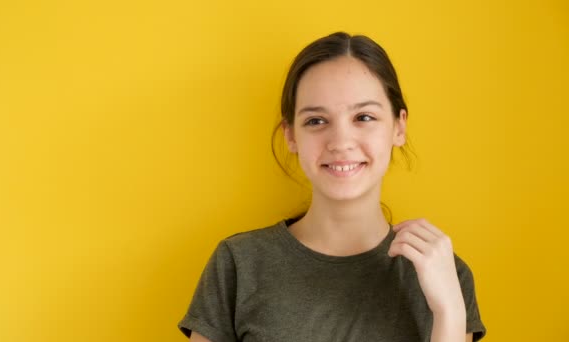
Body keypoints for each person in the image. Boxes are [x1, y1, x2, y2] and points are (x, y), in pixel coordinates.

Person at [178, 31, 486, 342]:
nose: (340, 142)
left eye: (364, 117)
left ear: (399, 126)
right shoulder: (238, 263)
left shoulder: (445, 273)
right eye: (316, 121)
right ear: (291, 135)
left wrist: (449, 313)